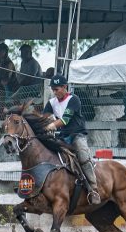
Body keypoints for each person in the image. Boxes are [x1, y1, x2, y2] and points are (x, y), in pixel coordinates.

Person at [42, 74, 101, 205]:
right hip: (62, 136)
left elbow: (65, 120)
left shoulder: (74, 99)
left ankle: (94, 189)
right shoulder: (51, 103)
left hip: (77, 135)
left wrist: (51, 125)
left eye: (57, 89)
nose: (55, 92)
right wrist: (42, 123)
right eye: (53, 89)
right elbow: (43, 117)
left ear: (65, 87)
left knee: (84, 157)